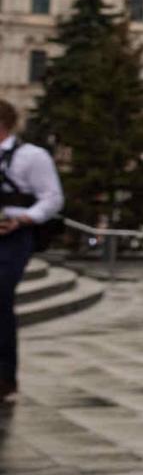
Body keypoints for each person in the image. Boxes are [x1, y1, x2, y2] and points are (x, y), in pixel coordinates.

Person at [0, 99, 65, 407]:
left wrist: (23, 219)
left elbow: (52, 198)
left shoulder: (32, 157)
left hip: (13, 236)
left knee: (0, 299)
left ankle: (4, 377)